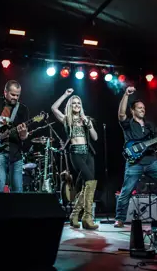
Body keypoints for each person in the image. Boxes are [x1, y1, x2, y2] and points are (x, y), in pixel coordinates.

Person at [114, 86, 157, 228]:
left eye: (144, 108)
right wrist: (126, 94)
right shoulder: (128, 124)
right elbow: (121, 114)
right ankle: (119, 218)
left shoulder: (150, 126)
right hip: (134, 163)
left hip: (152, 161)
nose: (143, 110)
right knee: (126, 191)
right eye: (139, 108)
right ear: (132, 111)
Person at [51, 88, 99, 230]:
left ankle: (74, 215)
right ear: (70, 106)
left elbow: (95, 137)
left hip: (88, 154)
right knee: (90, 182)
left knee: (87, 185)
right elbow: (53, 108)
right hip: (76, 153)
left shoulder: (87, 120)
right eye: (74, 103)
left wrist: (88, 123)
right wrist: (66, 95)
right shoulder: (67, 119)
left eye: (79, 103)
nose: (77, 105)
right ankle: (87, 218)